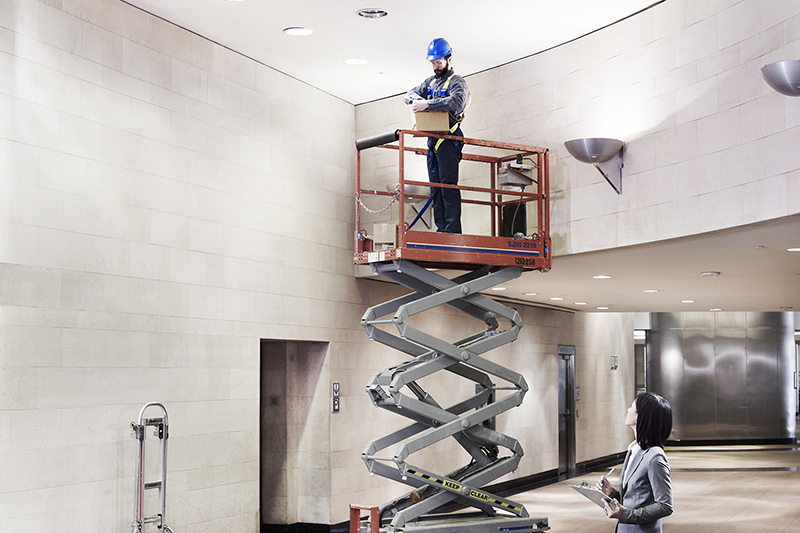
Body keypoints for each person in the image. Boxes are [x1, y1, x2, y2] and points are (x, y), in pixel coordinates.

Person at [404, 37, 470, 234]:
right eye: (433, 63)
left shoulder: (457, 82)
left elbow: (456, 102)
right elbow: (409, 95)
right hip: (433, 141)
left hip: (449, 138)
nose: (436, 67)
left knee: (448, 186)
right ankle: (442, 230)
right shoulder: (430, 82)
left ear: (449, 59)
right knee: (435, 187)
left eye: (439, 62)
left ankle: (452, 230)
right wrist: (417, 101)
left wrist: (428, 104)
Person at [596, 392, 673, 533]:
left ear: (640, 416)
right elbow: (635, 499)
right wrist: (611, 493)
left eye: (632, 407)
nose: (628, 410)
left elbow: (665, 505)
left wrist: (626, 514)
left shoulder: (655, 456)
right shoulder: (634, 450)